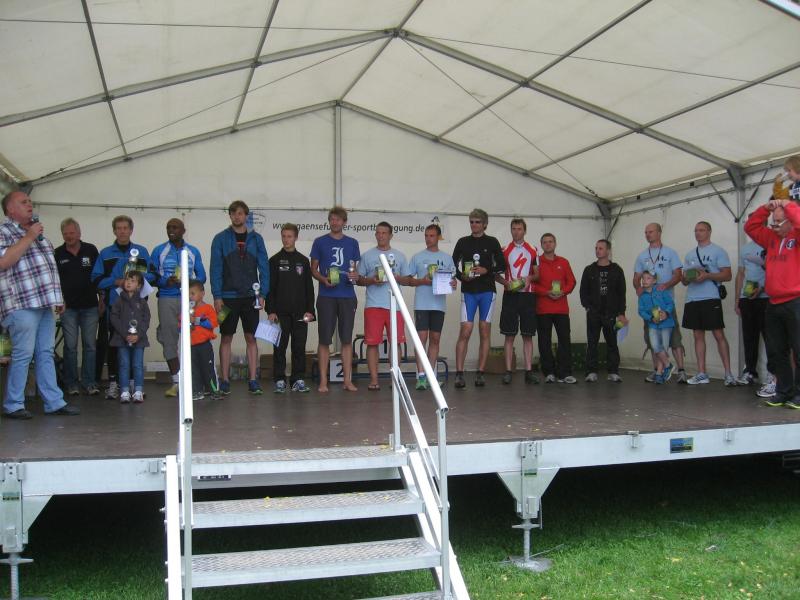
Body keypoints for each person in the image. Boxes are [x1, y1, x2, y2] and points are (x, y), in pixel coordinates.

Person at [0, 191, 79, 419]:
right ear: (10, 209)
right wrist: (29, 236)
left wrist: (58, 297)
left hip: (44, 303)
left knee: (45, 352)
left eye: (30, 201)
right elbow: (4, 261)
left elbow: (48, 269)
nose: (30, 205)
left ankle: (54, 402)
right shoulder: (5, 232)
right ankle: (13, 404)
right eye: (23, 202)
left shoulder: (38, 235)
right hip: (20, 304)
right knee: (23, 354)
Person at [744, 199, 800, 409]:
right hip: (774, 302)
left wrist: (788, 204)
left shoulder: (797, 236)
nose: (773, 226)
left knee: (799, 349)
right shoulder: (770, 238)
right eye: (772, 222)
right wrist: (765, 209)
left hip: (796, 301)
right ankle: (784, 391)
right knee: (776, 352)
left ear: (790, 221)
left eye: (778, 222)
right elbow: (750, 227)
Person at [210, 200, 270, 396]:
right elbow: (215, 268)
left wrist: (263, 293)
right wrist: (217, 296)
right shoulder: (220, 239)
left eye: (241, 213)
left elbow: (264, 267)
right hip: (227, 297)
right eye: (234, 213)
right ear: (230, 216)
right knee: (226, 337)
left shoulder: (256, 239)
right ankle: (225, 380)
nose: (237, 216)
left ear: (246, 216)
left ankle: (253, 380)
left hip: (251, 297)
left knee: (251, 337)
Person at [91, 215, 155, 400]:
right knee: (115, 344)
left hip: (138, 308)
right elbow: (96, 280)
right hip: (115, 307)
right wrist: (116, 281)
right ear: (114, 231)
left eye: (125, 228)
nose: (122, 231)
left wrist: (137, 279)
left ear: (131, 230)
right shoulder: (105, 254)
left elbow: (153, 276)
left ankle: (135, 384)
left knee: (137, 342)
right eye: (118, 228)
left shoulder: (141, 252)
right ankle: (114, 383)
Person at [151, 218, 206, 397]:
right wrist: (165, 281)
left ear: (183, 230)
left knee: (193, 338)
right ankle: (177, 381)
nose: (171, 230)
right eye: (168, 227)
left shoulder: (193, 251)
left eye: (175, 227)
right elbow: (151, 276)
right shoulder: (159, 250)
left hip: (188, 300)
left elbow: (202, 276)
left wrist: (188, 282)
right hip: (167, 298)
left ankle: (193, 380)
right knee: (169, 339)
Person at [451, 209, 505, 388]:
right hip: (468, 292)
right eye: (471, 222)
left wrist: (486, 270)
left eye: (477, 222)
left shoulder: (492, 242)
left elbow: (502, 265)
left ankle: (480, 372)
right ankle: (459, 373)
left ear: (485, 224)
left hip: (487, 291)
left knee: (484, 330)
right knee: (465, 330)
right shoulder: (462, 242)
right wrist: (462, 277)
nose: (474, 225)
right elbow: (452, 265)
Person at [310, 206, 360, 393]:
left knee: (346, 340)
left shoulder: (352, 243)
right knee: (324, 340)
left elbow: (354, 269)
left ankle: (347, 380)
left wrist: (355, 276)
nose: (334, 222)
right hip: (326, 296)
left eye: (338, 219)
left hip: (347, 295)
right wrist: (323, 279)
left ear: (344, 222)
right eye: (332, 219)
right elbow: (313, 269)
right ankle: (323, 381)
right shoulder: (319, 242)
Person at [357, 222, 412, 391]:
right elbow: (358, 280)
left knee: (396, 343)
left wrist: (395, 277)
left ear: (391, 235)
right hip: (373, 305)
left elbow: (408, 280)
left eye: (384, 233)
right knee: (372, 343)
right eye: (378, 233)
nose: (380, 235)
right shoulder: (367, 255)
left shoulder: (400, 256)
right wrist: (372, 280)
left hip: (395, 305)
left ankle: (394, 379)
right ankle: (374, 380)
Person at [680, 221, 735, 385]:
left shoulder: (718, 251)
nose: (698, 233)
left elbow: (728, 275)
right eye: (696, 230)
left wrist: (707, 276)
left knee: (718, 334)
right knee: (698, 335)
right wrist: (687, 277)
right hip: (693, 298)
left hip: (710, 297)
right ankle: (702, 372)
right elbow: (684, 281)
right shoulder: (690, 254)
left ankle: (728, 373)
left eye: (701, 230)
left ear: (709, 232)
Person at [633, 223, 688, 383]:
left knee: (675, 339)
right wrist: (638, 288)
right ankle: (658, 370)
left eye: (650, 231)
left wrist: (666, 285)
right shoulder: (642, 256)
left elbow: (678, 274)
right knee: (653, 340)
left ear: (659, 232)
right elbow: (636, 277)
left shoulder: (670, 253)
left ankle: (681, 371)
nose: (648, 234)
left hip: (666, 303)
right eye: (646, 232)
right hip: (650, 306)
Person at [266, 223, 315, 394]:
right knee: (279, 347)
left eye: (289, 236)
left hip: (301, 313)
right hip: (280, 313)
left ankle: (298, 380)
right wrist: (271, 311)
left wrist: (310, 310)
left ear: (296, 238)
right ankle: (280, 380)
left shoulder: (303, 261)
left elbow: (309, 288)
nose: (286, 239)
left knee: (299, 347)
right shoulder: (274, 261)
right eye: (284, 236)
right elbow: (270, 288)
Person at [55, 217, 100, 396]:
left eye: (72, 232)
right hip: (68, 308)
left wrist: (102, 299)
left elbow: (98, 276)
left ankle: (89, 382)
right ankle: (71, 383)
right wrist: (58, 301)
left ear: (79, 233)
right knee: (70, 346)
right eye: (65, 233)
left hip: (90, 306)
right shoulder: (57, 253)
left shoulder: (91, 250)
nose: (69, 236)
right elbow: (54, 281)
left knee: (90, 346)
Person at [408, 224, 456, 390]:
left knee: (435, 339)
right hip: (422, 304)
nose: (428, 239)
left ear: (438, 237)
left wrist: (453, 284)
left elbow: (452, 280)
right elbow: (408, 280)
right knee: (421, 339)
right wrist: (422, 281)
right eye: (426, 235)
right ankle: (421, 377)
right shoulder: (417, 257)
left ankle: (431, 376)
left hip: (438, 305)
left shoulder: (447, 258)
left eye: (432, 236)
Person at [498, 218, 539, 385]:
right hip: (510, 296)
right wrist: (505, 283)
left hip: (528, 296)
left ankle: (528, 371)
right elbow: (495, 274)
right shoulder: (504, 250)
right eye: (513, 229)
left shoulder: (533, 249)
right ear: (511, 230)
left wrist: (529, 278)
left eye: (519, 229)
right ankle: (508, 371)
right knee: (509, 335)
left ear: (525, 231)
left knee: (528, 335)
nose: (516, 232)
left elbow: (537, 274)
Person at [735, 216, 774, 393]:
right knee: (749, 336)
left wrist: (763, 287)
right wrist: (738, 299)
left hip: (766, 297)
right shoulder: (745, 249)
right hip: (747, 298)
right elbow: (740, 273)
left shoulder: (772, 244)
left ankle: (773, 375)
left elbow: (777, 271)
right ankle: (750, 372)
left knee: (771, 337)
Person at [579, 239, 627, 383]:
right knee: (592, 343)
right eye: (596, 248)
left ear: (608, 251)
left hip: (611, 313)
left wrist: (621, 313)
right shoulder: (589, 270)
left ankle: (613, 371)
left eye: (600, 248)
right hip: (594, 313)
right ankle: (591, 372)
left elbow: (621, 293)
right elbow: (583, 291)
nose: (597, 251)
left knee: (612, 343)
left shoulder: (617, 270)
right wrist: (588, 307)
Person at [534, 233, 577, 383]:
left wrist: (563, 292)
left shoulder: (564, 262)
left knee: (564, 340)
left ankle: (564, 373)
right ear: (541, 245)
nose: (548, 244)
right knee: (544, 341)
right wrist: (546, 292)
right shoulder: (536, 263)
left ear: (555, 243)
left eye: (550, 241)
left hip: (561, 309)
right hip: (543, 309)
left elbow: (572, 281)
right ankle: (549, 373)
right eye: (545, 242)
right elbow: (531, 284)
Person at [109, 271, 150, 404]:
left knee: (137, 365)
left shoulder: (142, 302)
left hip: (139, 340)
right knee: (124, 364)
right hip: (122, 339)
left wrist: (138, 335)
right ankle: (125, 391)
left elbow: (146, 320)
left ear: (139, 285)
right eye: (127, 280)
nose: (128, 283)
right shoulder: (118, 300)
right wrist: (124, 334)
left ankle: (138, 391)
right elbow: (114, 318)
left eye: (132, 281)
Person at [637, 270, 675, 384]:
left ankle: (659, 373)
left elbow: (670, 303)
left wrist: (666, 312)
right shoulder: (642, 296)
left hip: (666, 324)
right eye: (643, 278)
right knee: (655, 347)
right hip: (653, 324)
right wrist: (650, 318)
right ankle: (668, 365)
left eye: (648, 278)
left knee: (663, 348)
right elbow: (641, 311)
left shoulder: (661, 290)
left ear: (654, 281)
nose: (644, 281)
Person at [187, 280, 219, 400]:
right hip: (191, 345)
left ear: (202, 293)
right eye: (188, 294)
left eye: (193, 293)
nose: (190, 296)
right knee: (194, 369)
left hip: (204, 345)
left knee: (208, 368)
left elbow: (212, 323)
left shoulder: (208, 308)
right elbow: (180, 325)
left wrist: (196, 320)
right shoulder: (186, 309)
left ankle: (213, 390)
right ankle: (197, 391)